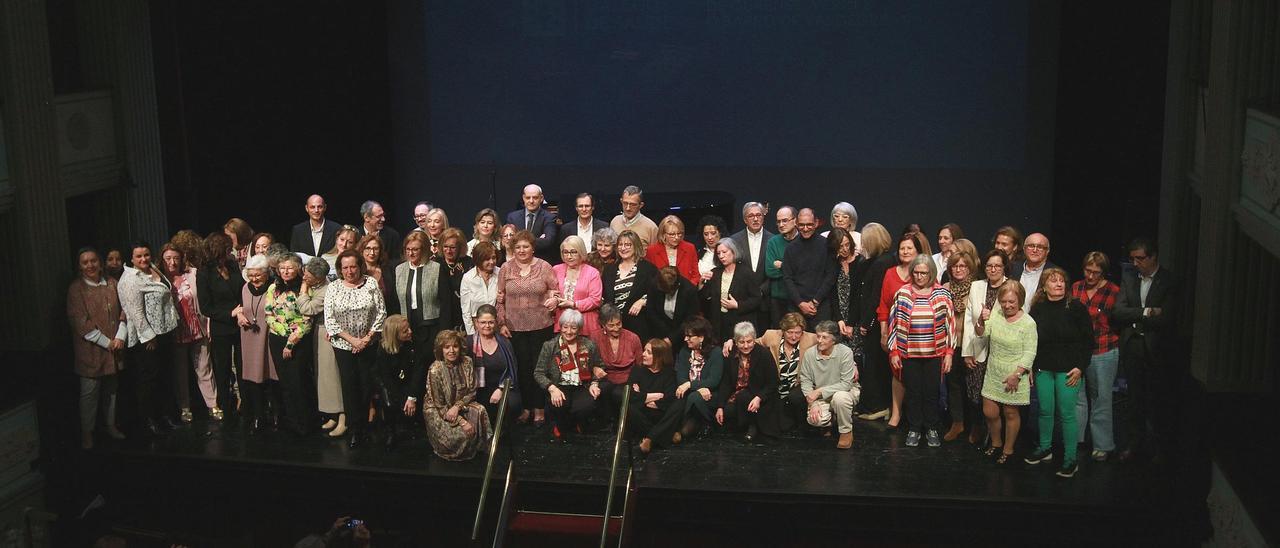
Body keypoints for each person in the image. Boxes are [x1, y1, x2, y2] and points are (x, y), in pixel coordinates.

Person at [1025, 267, 1094, 478]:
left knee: (1067, 414)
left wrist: (1080, 367)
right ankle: (1045, 448)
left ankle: (1071, 459)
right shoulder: (1038, 308)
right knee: (1045, 410)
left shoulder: (1076, 307)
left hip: (1069, 370)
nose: (1059, 284)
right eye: (1054, 281)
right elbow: (1031, 340)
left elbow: (1087, 341)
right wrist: (1030, 366)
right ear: (1044, 286)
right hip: (1044, 368)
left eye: (1062, 281)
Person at [1114, 237, 1179, 465]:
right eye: (1132, 259)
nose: (1135, 263)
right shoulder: (1129, 277)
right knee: (1134, 400)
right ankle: (1134, 445)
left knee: (1157, 400)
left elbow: (1168, 318)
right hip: (1133, 345)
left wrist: (1137, 314)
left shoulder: (1168, 280)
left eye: (1140, 258)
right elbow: (1118, 312)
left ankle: (1160, 448)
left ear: (1153, 257)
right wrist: (1148, 312)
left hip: (1156, 348)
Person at [887, 255, 955, 448]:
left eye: (923, 272)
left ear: (931, 272)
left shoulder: (941, 294)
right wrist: (893, 352)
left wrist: (949, 352)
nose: (919, 276)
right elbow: (894, 322)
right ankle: (915, 428)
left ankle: (932, 427)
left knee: (932, 392)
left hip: (935, 353)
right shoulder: (903, 292)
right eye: (916, 272)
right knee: (914, 392)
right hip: (909, 353)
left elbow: (950, 324)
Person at [324, 250, 388, 448]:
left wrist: (366, 339)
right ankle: (354, 429)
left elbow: (381, 313)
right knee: (350, 387)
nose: (350, 271)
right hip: (344, 346)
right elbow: (330, 320)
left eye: (353, 266)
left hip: (368, 345)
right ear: (340, 269)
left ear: (360, 266)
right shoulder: (333, 287)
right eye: (345, 268)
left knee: (366, 387)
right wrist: (352, 340)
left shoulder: (370, 283)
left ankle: (366, 429)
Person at [496, 230, 558, 425]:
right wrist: (502, 322)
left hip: (541, 325)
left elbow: (555, 291)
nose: (521, 250)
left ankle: (539, 408)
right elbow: (499, 299)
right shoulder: (505, 268)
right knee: (521, 368)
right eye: (518, 247)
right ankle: (526, 408)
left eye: (525, 246)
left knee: (539, 367)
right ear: (512, 249)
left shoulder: (544, 266)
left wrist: (553, 300)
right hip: (515, 328)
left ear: (533, 248)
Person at [118, 241, 180, 436]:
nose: (143, 259)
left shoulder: (153, 269)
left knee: (165, 376)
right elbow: (135, 311)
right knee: (149, 380)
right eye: (139, 256)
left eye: (146, 255)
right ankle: (148, 420)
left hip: (165, 330)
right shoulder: (130, 279)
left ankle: (165, 415)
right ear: (131, 259)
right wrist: (148, 337)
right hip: (148, 338)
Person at [68, 247, 128, 448]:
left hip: (114, 350)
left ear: (100, 263)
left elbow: (124, 311)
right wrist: (107, 342)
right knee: (89, 395)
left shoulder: (112, 284)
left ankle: (111, 426)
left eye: (93, 261)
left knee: (111, 392)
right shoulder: (76, 289)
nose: (90, 265)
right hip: (91, 352)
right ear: (79, 266)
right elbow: (81, 323)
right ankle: (87, 433)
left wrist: (120, 337)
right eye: (85, 262)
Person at [974, 281, 1037, 465]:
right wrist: (980, 320)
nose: (1007, 306)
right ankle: (996, 442)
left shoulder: (1028, 323)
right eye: (1004, 301)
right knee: (990, 412)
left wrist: (1016, 375)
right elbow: (982, 334)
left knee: (1010, 413)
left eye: (1012, 302)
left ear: (1020, 301)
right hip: (994, 371)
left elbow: (1030, 352)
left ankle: (1008, 450)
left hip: (1015, 374)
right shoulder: (997, 314)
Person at [1071, 251, 1121, 461]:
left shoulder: (1113, 291)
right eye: (1087, 271)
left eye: (1096, 272)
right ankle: (1077, 440)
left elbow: (1117, 319)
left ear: (1103, 272)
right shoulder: (1076, 287)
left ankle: (1102, 444)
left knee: (1100, 397)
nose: (1090, 276)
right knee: (1077, 398)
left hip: (1103, 349)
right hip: (1078, 349)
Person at [961, 249, 1011, 444]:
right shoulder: (976, 286)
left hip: (1002, 352)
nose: (993, 269)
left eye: (997, 266)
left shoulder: (1012, 287)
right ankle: (979, 428)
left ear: (1004, 267)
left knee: (998, 398)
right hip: (978, 349)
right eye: (989, 265)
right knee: (975, 395)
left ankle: (997, 436)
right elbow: (967, 321)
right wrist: (967, 351)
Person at [161, 243, 216, 424]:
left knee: (204, 368)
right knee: (180, 372)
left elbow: (202, 301)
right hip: (176, 332)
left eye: (175, 258)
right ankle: (184, 407)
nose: (172, 262)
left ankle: (213, 405)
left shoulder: (191, 274)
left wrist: (207, 326)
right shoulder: (159, 279)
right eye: (168, 258)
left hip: (196, 328)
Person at [876, 232, 926, 428]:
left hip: (920, 333)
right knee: (897, 373)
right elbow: (884, 304)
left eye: (909, 248)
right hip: (895, 331)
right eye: (902, 248)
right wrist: (883, 332)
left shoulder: (924, 272)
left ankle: (916, 416)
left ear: (917, 252)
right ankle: (896, 413)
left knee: (917, 376)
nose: (905, 251)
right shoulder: (890, 273)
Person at [534, 309, 606, 442]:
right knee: (561, 404)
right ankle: (561, 427)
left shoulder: (589, 345)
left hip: (582, 385)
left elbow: (599, 366)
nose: (569, 331)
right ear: (560, 327)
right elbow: (538, 373)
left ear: (579, 329)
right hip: (559, 386)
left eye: (573, 328)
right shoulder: (550, 346)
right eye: (565, 327)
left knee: (587, 406)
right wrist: (552, 388)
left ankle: (575, 423)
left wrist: (595, 383)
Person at [264, 254, 314, 437]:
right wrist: (282, 332)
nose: (285, 271)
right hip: (277, 339)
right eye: (282, 267)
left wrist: (290, 342)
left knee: (298, 382)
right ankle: (290, 421)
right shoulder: (273, 287)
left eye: (290, 267)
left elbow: (307, 320)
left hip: (298, 342)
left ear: (299, 269)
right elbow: (268, 313)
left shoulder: (304, 289)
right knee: (284, 382)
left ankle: (304, 423)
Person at [391, 232, 457, 368]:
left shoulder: (436, 268)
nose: (411, 253)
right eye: (408, 250)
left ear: (424, 249)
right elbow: (396, 302)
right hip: (407, 329)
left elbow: (446, 303)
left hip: (432, 328)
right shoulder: (399, 270)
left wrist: (444, 333)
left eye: (415, 249)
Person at [197, 233, 244, 421]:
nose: (230, 252)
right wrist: (229, 313)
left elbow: (241, 289)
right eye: (227, 249)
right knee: (223, 367)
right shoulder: (204, 273)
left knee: (242, 365)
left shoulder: (232, 266)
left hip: (240, 324)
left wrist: (240, 311)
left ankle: (244, 401)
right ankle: (225, 404)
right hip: (221, 327)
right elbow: (206, 307)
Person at [423, 329, 490, 460]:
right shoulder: (435, 370)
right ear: (440, 349)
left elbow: (472, 391)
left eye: (455, 346)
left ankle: (484, 450)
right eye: (447, 347)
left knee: (481, 411)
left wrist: (457, 407)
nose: (451, 351)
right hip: (439, 411)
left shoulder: (467, 362)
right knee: (463, 436)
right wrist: (462, 421)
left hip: (460, 404)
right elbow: (440, 405)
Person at [298, 258, 347, 437]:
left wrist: (303, 290)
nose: (304, 276)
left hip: (327, 332)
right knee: (324, 377)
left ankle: (343, 417)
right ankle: (332, 413)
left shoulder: (325, 290)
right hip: (318, 332)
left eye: (308, 275)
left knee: (333, 376)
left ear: (318, 278)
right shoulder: (318, 287)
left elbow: (307, 308)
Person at [853, 223, 894, 421]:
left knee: (876, 365)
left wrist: (865, 322)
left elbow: (875, 295)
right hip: (873, 320)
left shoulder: (881, 263)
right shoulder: (876, 261)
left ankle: (878, 405)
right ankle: (873, 404)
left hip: (876, 323)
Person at [798, 320, 860, 449]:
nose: (820, 340)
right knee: (816, 419)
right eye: (818, 336)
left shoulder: (845, 352)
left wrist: (819, 391)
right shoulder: (810, 354)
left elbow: (846, 384)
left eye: (824, 337)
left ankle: (846, 431)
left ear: (834, 339)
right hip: (822, 397)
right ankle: (830, 421)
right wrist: (812, 403)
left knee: (840, 398)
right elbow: (805, 380)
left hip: (845, 392)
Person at [237, 255, 280, 435]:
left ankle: (277, 414)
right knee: (253, 378)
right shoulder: (245, 288)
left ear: (266, 273)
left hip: (269, 335)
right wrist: (239, 315)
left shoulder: (274, 288)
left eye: (258, 275)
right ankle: (258, 416)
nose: (253, 279)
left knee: (271, 376)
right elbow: (241, 307)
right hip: (249, 337)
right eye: (251, 274)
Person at [752, 312, 816, 435]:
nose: (794, 337)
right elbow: (750, 342)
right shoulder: (771, 336)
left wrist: (854, 365)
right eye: (790, 332)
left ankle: (801, 421)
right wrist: (731, 341)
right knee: (780, 427)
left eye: (797, 333)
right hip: (777, 388)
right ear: (783, 330)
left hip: (797, 387)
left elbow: (832, 344)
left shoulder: (810, 339)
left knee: (795, 399)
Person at [715, 322, 778, 443]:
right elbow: (726, 382)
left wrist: (759, 397)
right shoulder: (731, 353)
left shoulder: (764, 354)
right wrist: (720, 406)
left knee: (744, 398)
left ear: (754, 340)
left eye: (749, 341)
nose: (745, 346)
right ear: (735, 341)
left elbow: (773, 382)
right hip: (738, 395)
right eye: (741, 342)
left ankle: (753, 426)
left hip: (759, 394)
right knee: (727, 412)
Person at [942, 250, 980, 442]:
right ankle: (957, 423)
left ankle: (975, 425)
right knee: (953, 385)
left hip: (971, 345)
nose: (958, 269)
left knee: (972, 387)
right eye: (955, 266)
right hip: (950, 345)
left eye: (963, 266)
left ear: (970, 268)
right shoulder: (945, 287)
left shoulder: (977, 288)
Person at [374, 315, 425, 449]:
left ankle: (412, 426)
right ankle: (391, 431)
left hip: (409, 382)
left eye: (409, 328)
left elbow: (418, 373)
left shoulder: (415, 343)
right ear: (394, 335)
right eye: (405, 331)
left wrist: (411, 397)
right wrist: (403, 399)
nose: (410, 332)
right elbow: (386, 378)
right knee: (389, 402)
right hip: (390, 385)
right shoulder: (383, 349)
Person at [670, 316, 723, 443]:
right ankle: (694, 426)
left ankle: (701, 425)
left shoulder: (716, 352)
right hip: (690, 393)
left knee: (695, 397)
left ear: (701, 337)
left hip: (710, 394)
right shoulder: (684, 352)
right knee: (690, 396)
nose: (685, 339)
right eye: (685, 336)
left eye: (689, 336)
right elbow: (680, 378)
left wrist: (690, 384)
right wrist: (697, 387)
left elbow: (714, 380)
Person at [466, 304, 522, 420]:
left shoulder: (504, 342)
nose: (487, 326)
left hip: (502, 386)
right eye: (483, 322)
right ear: (476, 323)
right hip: (479, 388)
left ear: (496, 322)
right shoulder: (469, 343)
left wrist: (501, 389)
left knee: (513, 403)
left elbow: (513, 369)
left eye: (491, 322)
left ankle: (505, 433)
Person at [782, 208, 834, 330]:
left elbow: (831, 276)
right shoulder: (791, 248)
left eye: (809, 224)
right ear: (796, 224)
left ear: (816, 223)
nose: (805, 228)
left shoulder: (826, 245)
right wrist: (801, 304)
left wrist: (815, 302)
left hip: (821, 306)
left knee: (822, 345)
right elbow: (787, 278)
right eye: (802, 225)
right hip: (796, 307)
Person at [699, 238, 761, 341]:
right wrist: (701, 283)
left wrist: (737, 305)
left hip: (740, 324)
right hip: (719, 325)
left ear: (733, 251)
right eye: (718, 253)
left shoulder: (746, 273)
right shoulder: (715, 273)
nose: (721, 256)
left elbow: (757, 299)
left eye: (724, 252)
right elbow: (704, 298)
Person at [601, 230, 657, 341]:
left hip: (638, 324)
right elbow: (605, 297)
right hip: (613, 325)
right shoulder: (609, 269)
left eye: (627, 244)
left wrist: (642, 301)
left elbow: (657, 293)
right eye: (620, 245)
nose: (623, 248)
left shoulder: (648, 268)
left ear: (636, 246)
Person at [590, 304, 643, 420]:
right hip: (605, 379)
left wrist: (636, 382)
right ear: (603, 325)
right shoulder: (594, 337)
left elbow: (640, 365)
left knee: (618, 393)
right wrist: (594, 369)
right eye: (611, 325)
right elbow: (590, 362)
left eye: (618, 324)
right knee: (601, 391)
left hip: (628, 380)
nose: (616, 328)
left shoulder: (633, 338)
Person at [627, 338, 680, 454]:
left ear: (659, 356)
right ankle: (665, 435)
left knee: (678, 404)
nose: (643, 354)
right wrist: (655, 396)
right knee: (627, 406)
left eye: (648, 352)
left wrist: (642, 397)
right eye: (644, 351)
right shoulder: (637, 370)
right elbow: (631, 395)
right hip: (642, 414)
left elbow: (669, 399)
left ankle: (650, 439)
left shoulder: (669, 374)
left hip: (660, 414)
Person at [553, 235, 604, 336]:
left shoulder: (592, 273)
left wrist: (573, 304)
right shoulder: (555, 269)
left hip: (586, 324)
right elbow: (550, 291)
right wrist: (554, 298)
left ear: (581, 252)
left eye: (573, 252)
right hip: (562, 323)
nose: (569, 256)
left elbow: (595, 300)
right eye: (565, 252)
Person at [825, 227, 868, 349]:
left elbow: (859, 295)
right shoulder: (834, 263)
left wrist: (850, 323)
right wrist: (839, 319)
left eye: (847, 244)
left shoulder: (860, 262)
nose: (845, 249)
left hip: (856, 317)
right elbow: (832, 293)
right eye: (840, 246)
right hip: (838, 317)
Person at [643, 266, 700, 345]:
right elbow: (651, 311)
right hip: (659, 333)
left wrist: (672, 338)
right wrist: (664, 335)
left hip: (682, 335)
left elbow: (690, 319)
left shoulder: (689, 290)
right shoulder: (655, 284)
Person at [505, 184, 558, 263]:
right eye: (528, 197)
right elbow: (509, 241)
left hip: (540, 263)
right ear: (523, 198)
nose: (531, 201)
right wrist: (538, 239)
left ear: (541, 198)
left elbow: (548, 241)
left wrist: (519, 242)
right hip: (517, 262)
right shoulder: (513, 217)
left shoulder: (549, 218)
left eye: (535, 197)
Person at [764, 205, 798, 326]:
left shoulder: (802, 240)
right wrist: (792, 268)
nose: (781, 224)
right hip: (778, 298)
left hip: (799, 297)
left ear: (795, 220)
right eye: (778, 221)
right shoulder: (773, 241)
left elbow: (804, 271)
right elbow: (770, 270)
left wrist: (782, 265)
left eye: (785, 220)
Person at [729, 202, 773, 291]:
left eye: (758, 215)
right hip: (742, 296)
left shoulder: (773, 240)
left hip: (767, 296)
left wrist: (762, 290)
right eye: (751, 216)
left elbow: (775, 271)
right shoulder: (734, 240)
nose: (755, 219)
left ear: (763, 217)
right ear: (745, 220)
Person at [645, 215, 700, 285]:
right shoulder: (652, 251)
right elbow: (649, 277)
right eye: (672, 234)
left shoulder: (690, 248)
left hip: (686, 292)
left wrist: (688, 289)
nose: (676, 237)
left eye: (679, 233)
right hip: (660, 292)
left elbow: (696, 275)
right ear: (663, 234)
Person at [460, 241, 501, 335]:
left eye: (493, 258)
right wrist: (471, 334)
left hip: (497, 327)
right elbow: (466, 311)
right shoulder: (468, 278)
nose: (491, 262)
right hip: (477, 328)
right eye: (487, 259)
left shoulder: (501, 273)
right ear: (478, 259)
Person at [1009, 232, 1057, 311]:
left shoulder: (1055, 272)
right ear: (1024, 249)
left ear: (1047, 251)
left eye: (1040, 247)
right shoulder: (1012, 268)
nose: (1035, 250)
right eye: (1031, 246)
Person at [438, 228, 472, 331]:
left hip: (463, 315)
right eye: (445, 246)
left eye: (452, 247)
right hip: (441, 317)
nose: (448, 251)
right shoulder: (435, 264)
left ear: (460, 248)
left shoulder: (469, 263)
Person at [696, 215, 726, 282]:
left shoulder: (728, 251)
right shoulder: (698, 253)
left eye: (713, 233)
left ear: (720, 232)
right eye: (706, 234)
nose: (709, 237)